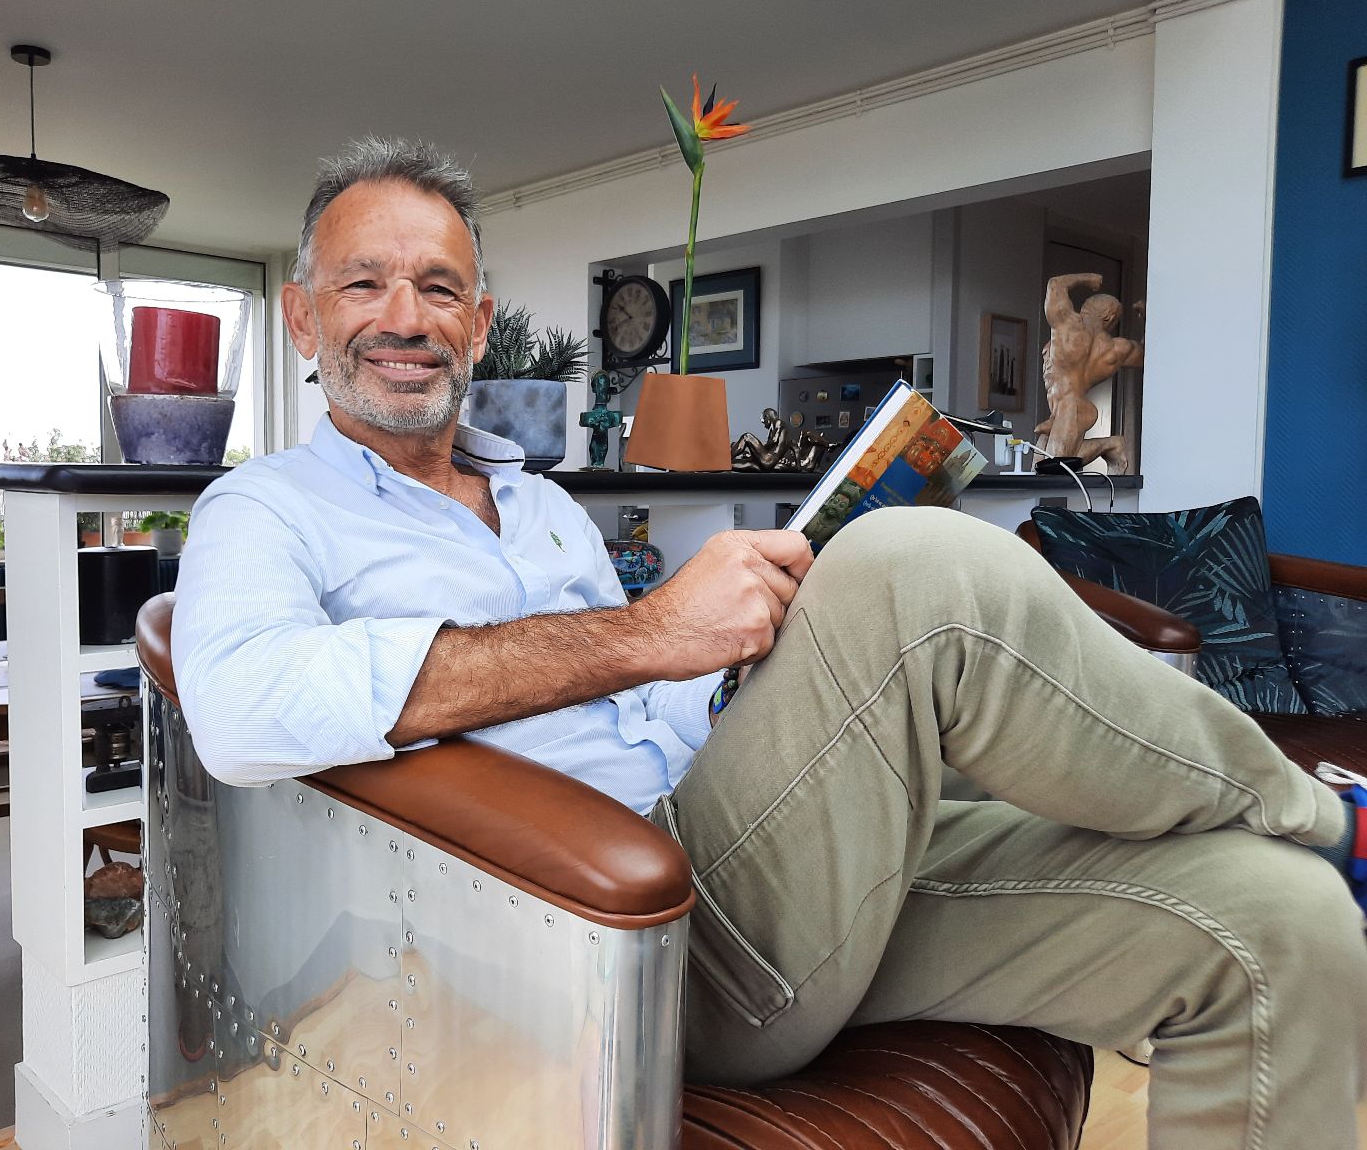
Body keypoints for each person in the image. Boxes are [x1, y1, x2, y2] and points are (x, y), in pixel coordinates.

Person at [172, 138, 1367, 1149]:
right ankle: (1320, 809)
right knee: (918, 573)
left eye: (438, 289)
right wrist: (649, 632)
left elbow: (648, 713)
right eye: (362, 284)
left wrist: (751, 655)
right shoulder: (263, 511)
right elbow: (240, 705)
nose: (403, 320)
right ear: (299, 317)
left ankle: (1302, 847)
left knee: (1283, 924)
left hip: (757, 859)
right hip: (609, 941)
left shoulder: (534, 505)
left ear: (479, 324)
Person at [1034, 272, 1145, 470]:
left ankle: (1111, 445)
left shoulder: (1067, 325)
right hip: (1062, 411)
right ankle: (1110, 445)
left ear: (1085, 307)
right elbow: (1147, 354)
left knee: (1054, 467)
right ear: (1110, 318)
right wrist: (1145, 316)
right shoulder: (1116, 349)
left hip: (1072, 407)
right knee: (1038, 471)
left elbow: (1055, 284)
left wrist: (1088, 278)